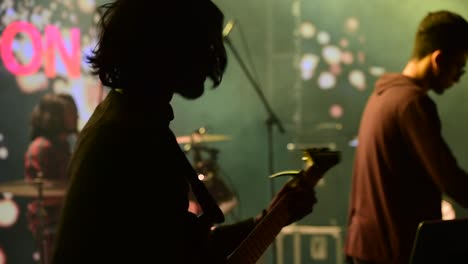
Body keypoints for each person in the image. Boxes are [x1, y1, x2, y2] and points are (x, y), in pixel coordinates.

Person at [51, 1, 318, 263]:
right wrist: (270, 219)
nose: (211, 59)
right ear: (169, 49)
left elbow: (183, 247)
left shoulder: (128, 121)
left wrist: (267, 219)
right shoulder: (134, 137)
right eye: (202, 46)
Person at [344, 10, 468, 264]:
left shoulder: (381, 96)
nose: (458, 78)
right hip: (396, 252)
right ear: (438, 59)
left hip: (366, 248)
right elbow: (451, 180)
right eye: (459, 67)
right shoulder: (412, 103)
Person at [24, 92, 79, 263]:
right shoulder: (42, 147)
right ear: (55, 116)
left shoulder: (62, 145)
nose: (76, 116)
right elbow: (45, 193)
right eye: (70, 112)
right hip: (52, 223)